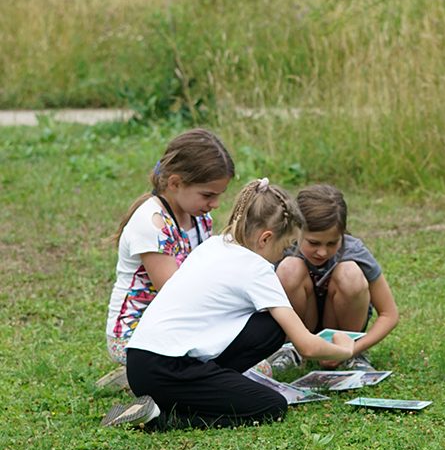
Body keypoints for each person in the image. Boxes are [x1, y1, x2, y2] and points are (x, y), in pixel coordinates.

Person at [99, 179, 354, 429]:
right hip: (168, 370)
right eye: (285, 246)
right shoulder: (257, 268)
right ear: (265, 239)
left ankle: (204, 388)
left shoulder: (212, 246)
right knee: (270, 405)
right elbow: (306, 345)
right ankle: (157, 419)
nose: (284, 254)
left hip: (140, 364)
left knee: (271, 326)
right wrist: (345, 350)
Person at [100, 129, 234, 386]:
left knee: (251, 359)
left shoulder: (199, 217)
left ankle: (145, 378)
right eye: (208, 195)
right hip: (135, 336)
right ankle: (142, 377)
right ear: (175, 183)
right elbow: (175, 294)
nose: (216, 203)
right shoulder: (152, 224)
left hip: (178, 325)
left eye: (219, 194)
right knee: (241, 364)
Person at [273, 184, 399, 371]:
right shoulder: (281, 249)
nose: (322, 252)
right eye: (313, 243)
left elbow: (389, 314)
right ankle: (290, 350)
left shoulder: (354, 251)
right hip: (301, 327)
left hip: (341, 332)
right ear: (296, 230)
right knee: (289, 268)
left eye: (332, 243)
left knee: (350, 273)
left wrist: (352, 349)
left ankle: (352, 357)